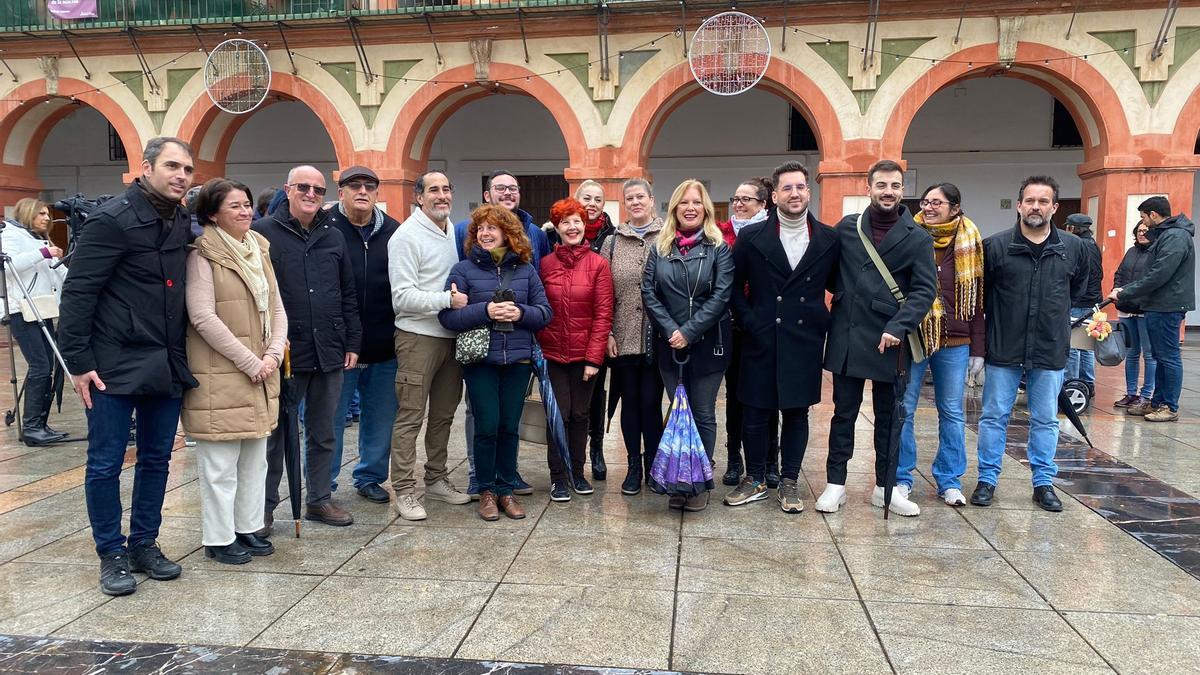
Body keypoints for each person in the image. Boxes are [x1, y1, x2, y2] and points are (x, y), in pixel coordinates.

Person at [59, 136, 197, 596]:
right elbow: (78, 294)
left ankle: (143, 543)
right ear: (147, 167)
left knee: (157, 459)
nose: (181, 176)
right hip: (112, 365)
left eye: (188, 170)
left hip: (164, 362)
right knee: (105, 462)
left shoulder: (180, 219)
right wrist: (78, 363)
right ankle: (111, 553)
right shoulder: (111, 220)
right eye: (172, 166)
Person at [819, 159, 936, 516]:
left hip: (891, 340)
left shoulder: (917, 237)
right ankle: (835, 484)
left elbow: (923, 290)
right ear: (869, 188)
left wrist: (898, 325)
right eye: (881, 185)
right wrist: (847, 300)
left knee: (890, 418)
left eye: (895, 186)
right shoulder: (847, 228)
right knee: (843, 414)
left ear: (903, 190)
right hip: (849, 334)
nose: (888, 192)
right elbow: (828, 272)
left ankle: (886, 488)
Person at [183, 178, 286, 564]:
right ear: (212, 214)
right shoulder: (202, 255)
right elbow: (203, 318)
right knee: (220, 467)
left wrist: (274, 353)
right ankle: (219, 537)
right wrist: (250, 362)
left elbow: (276, 306)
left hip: (262, 371)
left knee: (254, 461)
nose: (245, 212)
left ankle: (247, 527)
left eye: (247, 204)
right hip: (221, 375)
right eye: (235, 207)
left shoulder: (258, 248)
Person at [724, 163, 837, 514]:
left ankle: (789, 480)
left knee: (796, 413)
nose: (795, 193)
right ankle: (755, 478)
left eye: (801, 187)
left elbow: (841, 287)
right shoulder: (752, 238)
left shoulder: (828, 238)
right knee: (755, 412)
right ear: (774, 196)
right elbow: (732, 286)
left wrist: (823, 320)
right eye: (787, 188)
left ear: (808, 192)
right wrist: (749, 320)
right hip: (761, 336)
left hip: (802, 338)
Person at [253, 165, 361, 532]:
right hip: (284, 352)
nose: (312, 194)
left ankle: (319, 500)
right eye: (304, 187)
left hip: (329, 347)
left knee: (324, 430)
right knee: (277, 434)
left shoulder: (333, 235)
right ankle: (264, 509)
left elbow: (347, 293)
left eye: (318, 188)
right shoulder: (263, 233)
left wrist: (352, 340)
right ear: (288, 189)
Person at [974, 176, 1088, 512]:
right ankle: (987, 479)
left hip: (1049, 347)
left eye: (1043, 201)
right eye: (1029, 200)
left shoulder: (1074, 248)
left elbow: (1078, 291)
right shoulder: (994, 247)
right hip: (1004, 346)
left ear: (1054, 207)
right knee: (994, 416)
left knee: (1045, 419)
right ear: (1020, 204)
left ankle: (1043, 483)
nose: (1035, 207)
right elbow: (983, 296)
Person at [440, 205, 552, 521]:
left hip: (518, 360)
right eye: (481, 230)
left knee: (509, 427)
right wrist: (485, 311)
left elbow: (544, 313)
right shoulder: (462, 270)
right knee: (487, 425)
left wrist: (520, 313)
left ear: (508, 233)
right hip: (481, 361)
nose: (486, 234)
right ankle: (486, 490)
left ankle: (506, 490)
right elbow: (447, 317)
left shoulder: (526, 270)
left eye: (493, 228)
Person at [642, 179, 734, 512]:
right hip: (670, 345)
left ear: (705, 208)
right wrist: (671, 330)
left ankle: (699, 482)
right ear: (675, 209)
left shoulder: (718, 247)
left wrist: (689, 331)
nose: (690, 208)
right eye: (684, 203)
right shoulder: (660, 248)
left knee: (703, 413)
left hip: (710, 344)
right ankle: (680, 479)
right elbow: (649, 292)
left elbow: (722, 295)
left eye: (696, 202)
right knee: (679, 412)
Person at [894, 183, 985, 510]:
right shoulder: (908, 236)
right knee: (903, 407)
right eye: (926, 202)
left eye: (937, 203)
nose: (929, 207)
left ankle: (949, 480)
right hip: (914, 337)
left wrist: (978, 347)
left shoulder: (971, 241)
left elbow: (976, 297)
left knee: (952, 411)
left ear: (955, 207)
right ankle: (901, 477)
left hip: (956, 341)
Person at [387, 170, 471, 521]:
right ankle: (404, 489)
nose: (442, 196)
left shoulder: (452, 230)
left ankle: (436, 478)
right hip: (417, 338)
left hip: (450, 336)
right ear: (418, 197)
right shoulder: (406, 237)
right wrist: (444, 301)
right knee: (410, 416)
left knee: (443, 415)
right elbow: (401, 297)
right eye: (433, 190)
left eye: (446, 189)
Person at [326, 166, 402, 504]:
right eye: (354, 185)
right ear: (340, 191)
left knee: (381, 418)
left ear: (376, 192)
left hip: (386, 343)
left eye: (369, 186)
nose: (362, 191)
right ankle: (322, 483)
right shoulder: (325, 227)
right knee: (330, 420)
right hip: (340, 347)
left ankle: (370, 477)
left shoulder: (394, 231)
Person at [538, 198, 614, 501]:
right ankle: (558, 476)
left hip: (586, 356)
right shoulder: (545, 265)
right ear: (557, 227)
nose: (572, 227)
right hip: (552, 353)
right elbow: (539, 307)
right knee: (559, 415)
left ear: (585, 226)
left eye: (577, 221)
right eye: (565, 222)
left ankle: (577, 473)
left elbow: (603, 313)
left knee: (581, 414)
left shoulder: (598, 264)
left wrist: (594, 358)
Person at [601, 178, 665, 496]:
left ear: (652, 200)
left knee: (651, 403)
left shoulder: (667, 237)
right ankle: (632, 465)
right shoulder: (612, 242)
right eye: (630, 198)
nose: (635, 202)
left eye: (641, 196)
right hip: (623, 337)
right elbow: (604, 294)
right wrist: (608, 332)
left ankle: (653, 464)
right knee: (629, 404)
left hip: (658, 337)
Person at [1108, 196, 1196, 422]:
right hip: (1157, 304)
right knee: (1159, 355)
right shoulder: (1168, 235)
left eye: (1144, 217)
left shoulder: (1176, 237)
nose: (1143, 222)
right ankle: (1156, 403)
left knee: (1168, 357)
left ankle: (1169, 406)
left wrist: (1125, 292)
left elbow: (1158, 274)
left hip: (1168, 305)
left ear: (1154, 214)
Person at [717, 177, 780, 488]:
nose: (738, 204)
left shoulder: (775, 232)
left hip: (765, 327)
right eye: (736, 198)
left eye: (746, 199)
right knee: (735, 397)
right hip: (730, 325)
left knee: (767, 396)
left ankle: (771, 461)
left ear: (763, 204)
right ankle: (733, 459)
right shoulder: (720, 234)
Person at [2, 198, 69, 445]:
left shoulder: (37, 239)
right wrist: (43, 252)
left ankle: (40, 423)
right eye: (41, 213)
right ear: (28, 213)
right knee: (40, 366)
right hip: (22, 310)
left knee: (46, 366)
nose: (46, 218)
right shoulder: (11, 235)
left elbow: (58, 273)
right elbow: (8, 266)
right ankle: (31, 427)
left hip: (41, 309)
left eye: (47, 213)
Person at [571, 179, 617, 481]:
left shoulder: (614, 236)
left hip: (602, 324)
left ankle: (597, 449)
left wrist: (610, 328)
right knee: (572, 395)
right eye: (586, 198)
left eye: (597, 199)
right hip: (570, 324)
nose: (592, 203)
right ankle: (573, 452)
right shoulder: (558, 233)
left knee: (597, 393)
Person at [1112, 222, 1156, 409]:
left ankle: (1146, 395)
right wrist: (1117, 290)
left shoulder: (1156, 253)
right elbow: (1119, 274)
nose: (1142, 234)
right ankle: (1131, 393)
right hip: (1126, 309)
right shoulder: (1131, 251)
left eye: (1145, 231)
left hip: (1145, 311)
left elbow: (1152, 281)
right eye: (1139, 231)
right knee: (1131, 353)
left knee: (1149, 355)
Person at [1066, 213, 1103, 393]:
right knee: (1087, 344)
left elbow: (1080, 275)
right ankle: (1087, 382)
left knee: (1074, 343)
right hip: (1092, 299)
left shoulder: (1080, 245)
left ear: (1074, 228)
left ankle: (1072, 382)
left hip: (1080, 300)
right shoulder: (1093, 245)